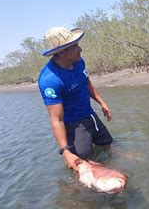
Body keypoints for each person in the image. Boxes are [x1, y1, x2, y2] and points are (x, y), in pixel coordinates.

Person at [38, 26, 113, 171]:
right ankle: (74, 188)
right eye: (75, 46)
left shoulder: (79, 61)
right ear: (61, 52)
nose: (80, 49)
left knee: (107, 143)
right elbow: (56, 120)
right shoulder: (50, 80)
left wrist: (103, 103)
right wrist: (65, 151)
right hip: (73, 124)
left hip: (90, 114)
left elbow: (86, 83)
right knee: (81, 163)